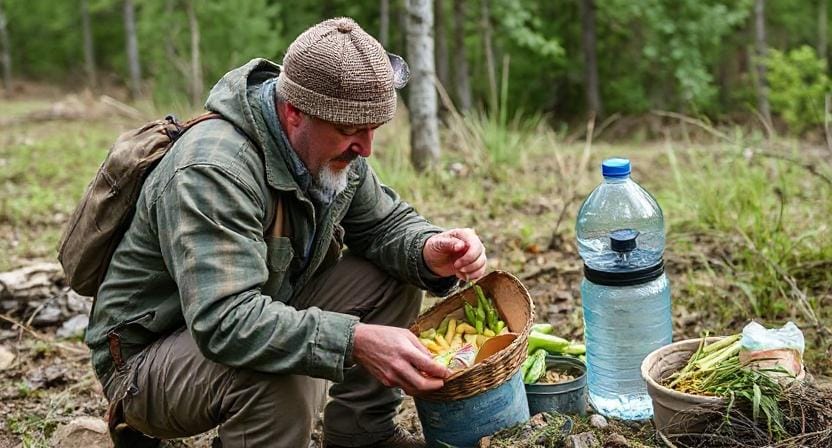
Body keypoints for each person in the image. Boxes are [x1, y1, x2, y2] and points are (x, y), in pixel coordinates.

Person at [84, 16, 487, 448]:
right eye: (351, 130)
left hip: (250, 310)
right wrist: (354, 340)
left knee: (395, 272)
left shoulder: (326, 147)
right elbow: (226, 321)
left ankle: (363, 437)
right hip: (147, 364)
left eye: (373, 130)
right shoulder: (213, 171)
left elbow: (384, 225)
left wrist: (428, 249)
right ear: (294, 112)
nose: (365, 149)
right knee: (282, 378)